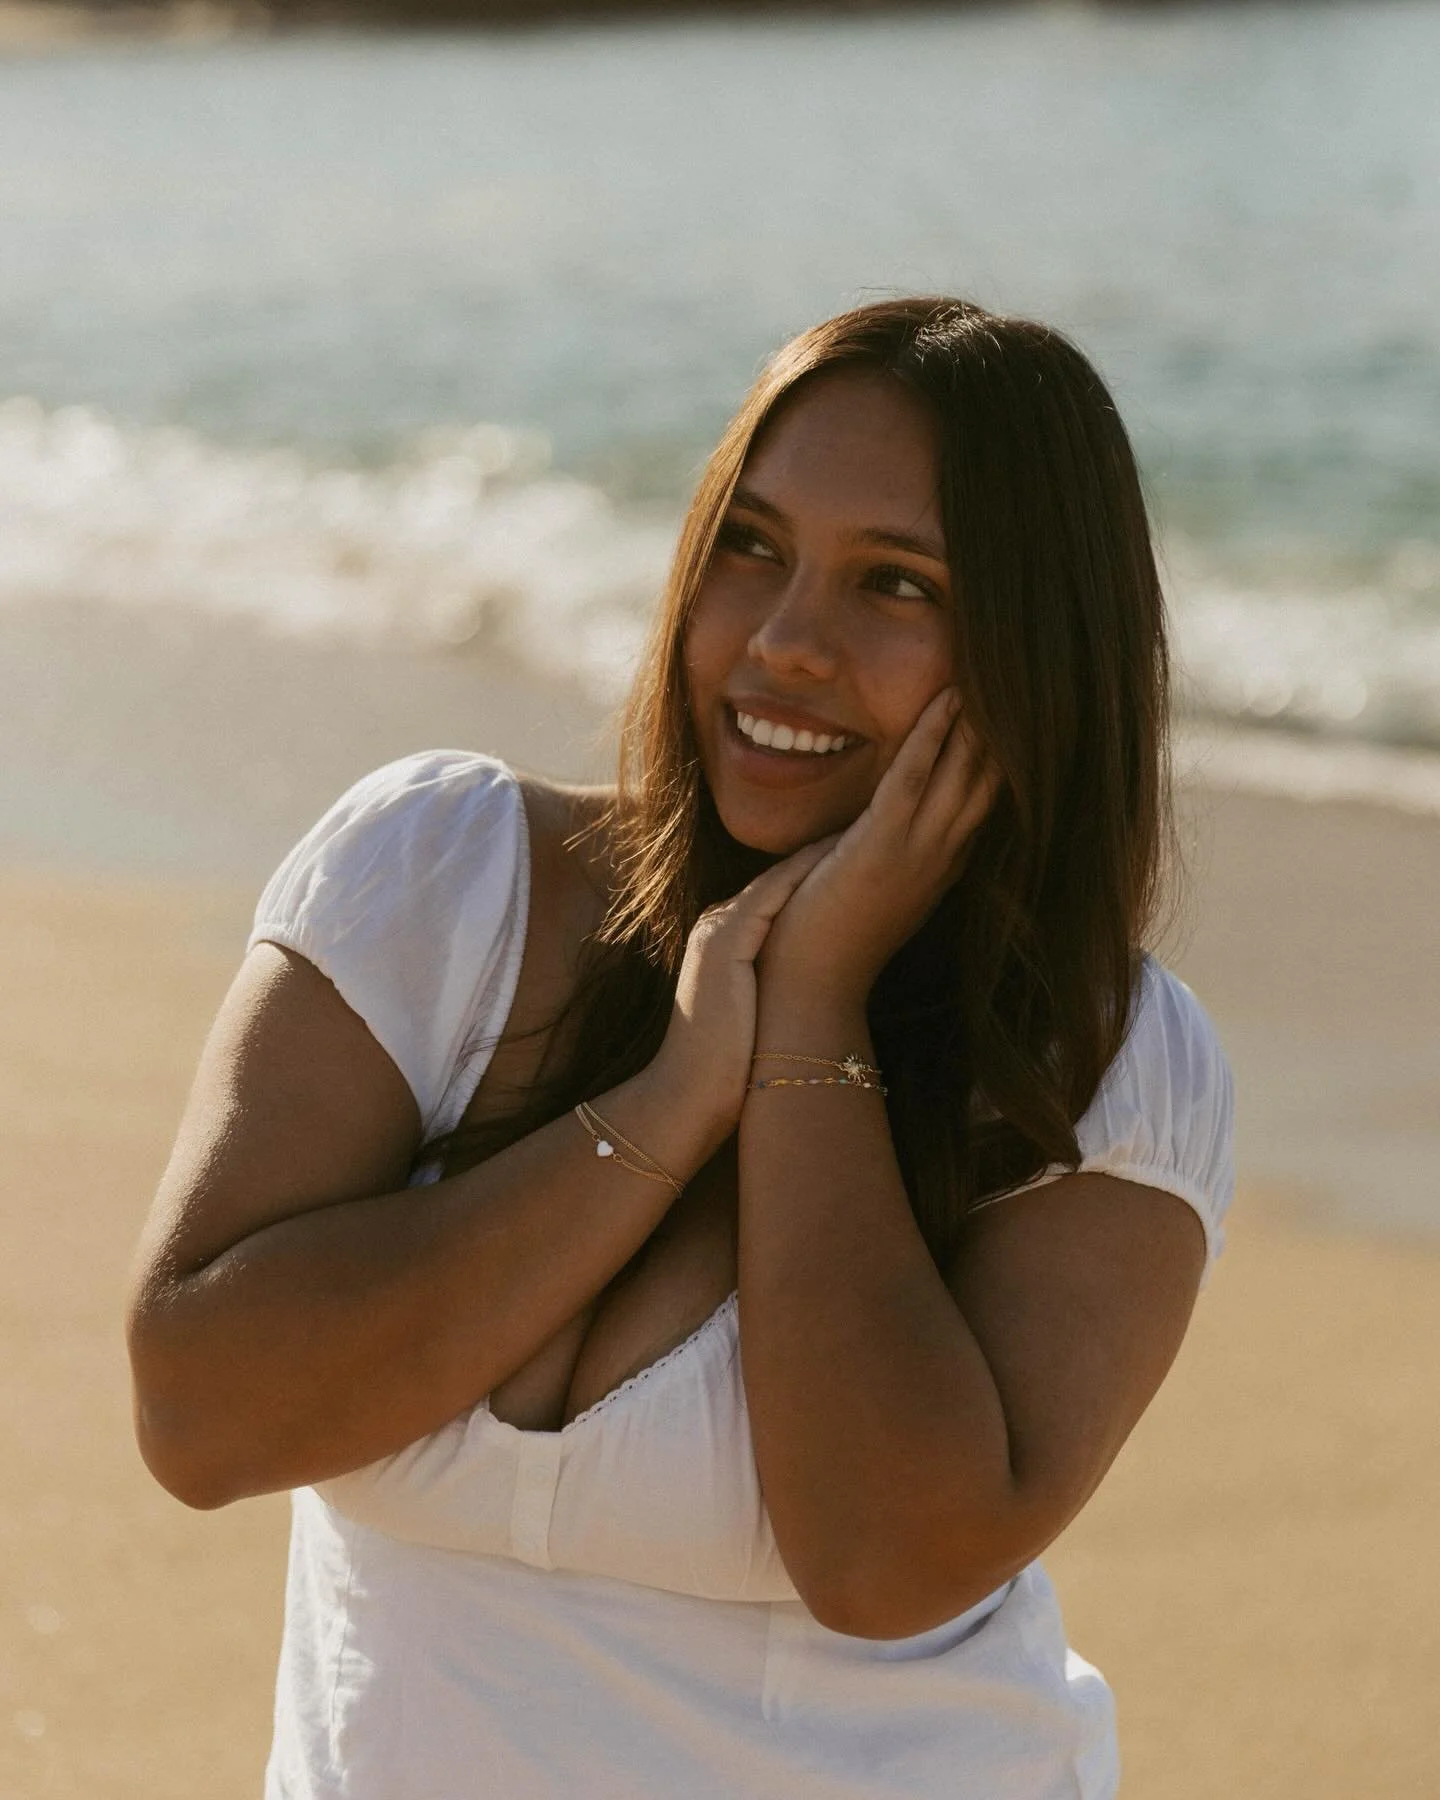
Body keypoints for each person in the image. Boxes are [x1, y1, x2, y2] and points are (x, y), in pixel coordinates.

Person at [126, 296, 1233, 1799]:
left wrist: (812, 1028)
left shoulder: (1103, 1072)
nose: (785, 644)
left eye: (896, 585)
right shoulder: (441, 884)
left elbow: (881, 1557)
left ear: (1034, 653)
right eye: (751, 546)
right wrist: (669, 1099)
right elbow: (201, 1416)